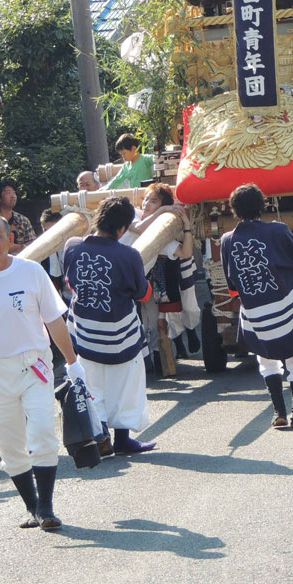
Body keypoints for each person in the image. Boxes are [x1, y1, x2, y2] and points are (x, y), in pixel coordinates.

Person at [0, 215, 85, 529]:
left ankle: (48, 507)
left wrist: (72, 361)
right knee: (10, 443)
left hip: (33, 365)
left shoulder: (31, 272)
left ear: (10, 239)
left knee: (41, 431)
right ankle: (32, 507)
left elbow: (54, 320)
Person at [221, 183, 293, 429]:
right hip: (290, 308)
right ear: (263, 205)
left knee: (266, 361)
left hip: (256, 315)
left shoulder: (227, 240)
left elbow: (233, 287)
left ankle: (279, 412)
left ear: (233, 209)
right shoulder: (278, 230)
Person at [63, 197, 156, 456]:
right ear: (122, 228)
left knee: (93, 385)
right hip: (120, 335)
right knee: (125, 387)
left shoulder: (72, 246)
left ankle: (100, 435)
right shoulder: (129, 255)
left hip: (84, 332)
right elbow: (142, 294)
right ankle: (122, 440)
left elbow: (71, 284)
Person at [135, 183, 200, 371]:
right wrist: (163, 209)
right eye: (145, 199)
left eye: (153, 201)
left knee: (165, 311)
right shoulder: (133, 215)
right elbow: (138, 229)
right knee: (148, 318)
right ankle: (153, 356)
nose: (146, 203)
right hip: (134, 277)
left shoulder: (164, 230)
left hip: (158, 274)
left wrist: (186, 226)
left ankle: (164, 353)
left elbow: (185, 252)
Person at [0, 178, 36, 254]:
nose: (13, 196)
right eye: (8, 193)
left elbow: (34, 245)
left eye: (14, 193)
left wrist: (17, 247)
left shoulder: (22, 220)